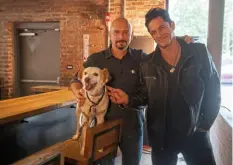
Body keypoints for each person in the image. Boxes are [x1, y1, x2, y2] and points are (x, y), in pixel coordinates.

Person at [108, 8, 221, 165]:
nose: (159, 34)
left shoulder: (198, 52)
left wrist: (204, 125)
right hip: (162, 139)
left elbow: (213, 91)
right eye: (154, 32)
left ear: (172, 25)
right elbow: (145, 97)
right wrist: (128, 99)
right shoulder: (148, 63)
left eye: (162, 27)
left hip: (196, 134)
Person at [71, 17, 147, 165]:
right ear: (110, 34)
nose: (121, 36)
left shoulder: (141, 58)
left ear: (131, 35)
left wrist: (181, 40)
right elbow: (75, 80)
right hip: (103, 126)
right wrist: (79, 93)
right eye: (116, 32)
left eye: (126, 33)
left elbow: (161, 57)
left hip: (132, 125)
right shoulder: (95, 59)